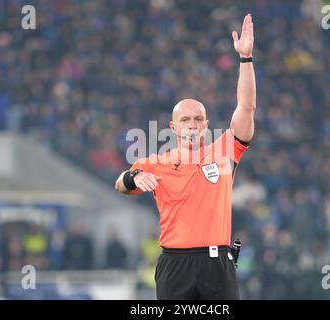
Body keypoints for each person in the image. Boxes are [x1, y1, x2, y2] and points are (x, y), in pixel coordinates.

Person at [115, 14, 256, 299]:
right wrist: (134, 176)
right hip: (175, 264)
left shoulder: (224, 151)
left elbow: (247, 107)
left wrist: (246, 59)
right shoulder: (155, 162)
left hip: (217, 264)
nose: (192, 123)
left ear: (206, 125)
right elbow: (120, 184)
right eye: (186, 119)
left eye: (198, 118)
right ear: (174, 127)